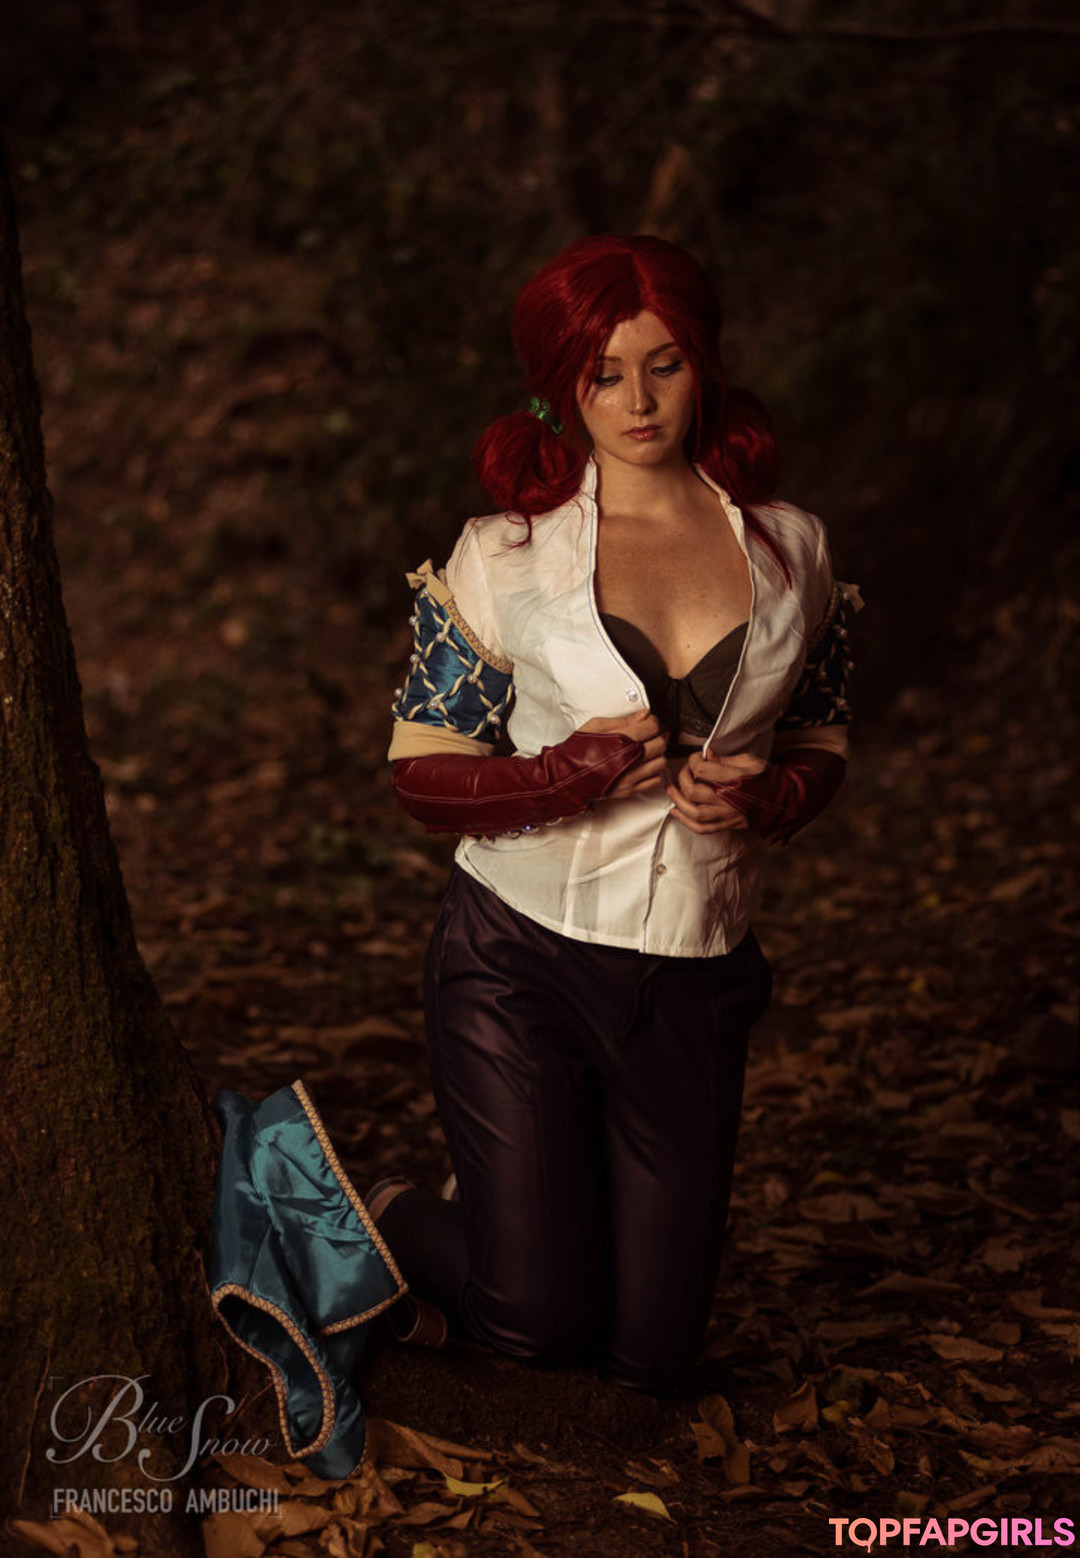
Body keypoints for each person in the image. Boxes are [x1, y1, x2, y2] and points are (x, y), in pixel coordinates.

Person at [371, 233, 856, 1392]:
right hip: (516, 958)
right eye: (604, 374)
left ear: (705, 366)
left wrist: (773, 794)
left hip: (695, 971)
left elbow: (822, 736)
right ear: (563, 386)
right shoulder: (506, 554)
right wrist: (559, 775)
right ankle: (380, 1210)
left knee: (650, 1361)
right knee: (539, 1322)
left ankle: (529, 1217)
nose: (638, 402)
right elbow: (419, 773)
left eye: (664, 365)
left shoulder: (794, 548)